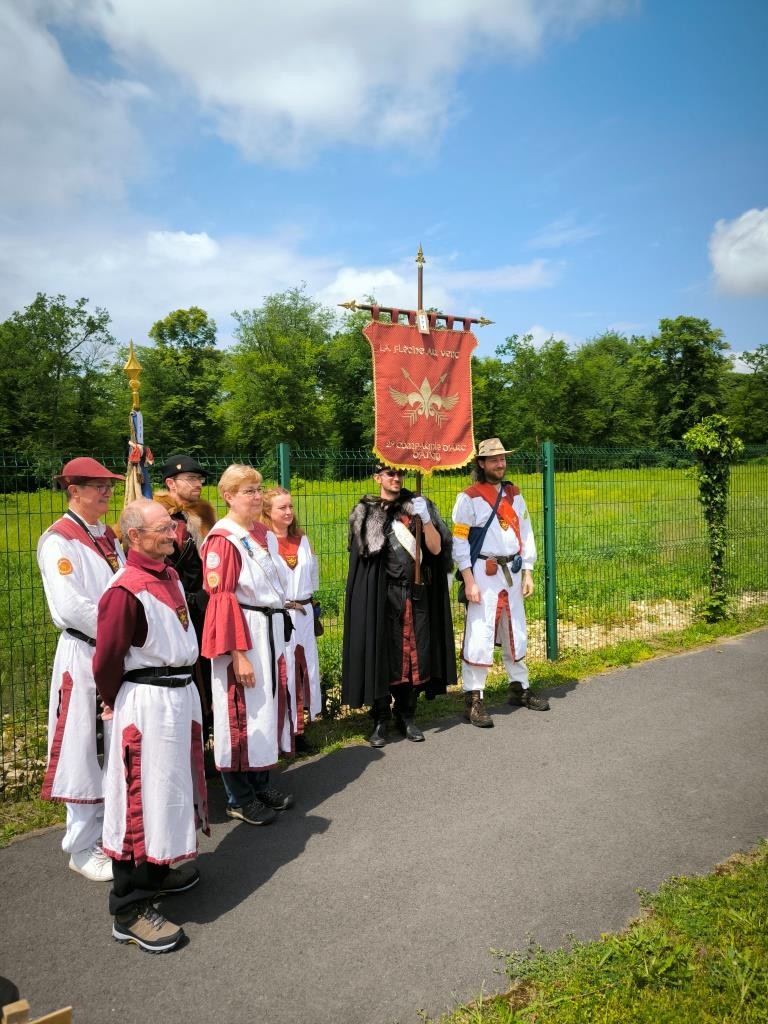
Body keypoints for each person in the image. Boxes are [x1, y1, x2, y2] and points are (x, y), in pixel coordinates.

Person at [93, 499, 208, 953]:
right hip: (147, 702)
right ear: (134, 536)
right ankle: (129, 906)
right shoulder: (124, 591)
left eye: (172, 528)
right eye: (163, 529)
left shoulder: (171, 575)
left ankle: (158, 869)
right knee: (139, 795)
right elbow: (106, 659)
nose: (172, 534)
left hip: (179, 697)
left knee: (172, 788)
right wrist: (110, 699)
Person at [37, 457, 126, 882]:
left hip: (113, 652)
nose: (107, 492)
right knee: (84, 747)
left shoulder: (107, 536)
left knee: (110, 744)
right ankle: (80, 846)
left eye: (109, 485)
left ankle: (108, 834)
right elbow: (72, 606)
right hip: (87, 653)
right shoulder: (59, 540)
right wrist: (122, 631)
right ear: (73, 490)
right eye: (97, 486)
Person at [201, 465, 294, 826]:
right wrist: (238, 655)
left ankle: (259, 781)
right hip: (244, 631)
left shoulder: (260, 532)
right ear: (228, 496)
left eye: (258, 490)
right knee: (239, 711)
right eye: (247, 491)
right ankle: (237, 796)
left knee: (265, 707)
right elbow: (221, 599)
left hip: (267, 627)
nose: (256, 497)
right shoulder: (223, 540)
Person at [341, 462, 457, 747]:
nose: (396, 478)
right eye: (389, 473)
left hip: (416, 595)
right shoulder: (365, 512)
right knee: (383, 654)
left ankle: (406, 715)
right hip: (382, 598)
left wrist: (426, 518)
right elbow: (363, 559)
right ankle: (380, 718)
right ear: (377, 476)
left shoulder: (418, 505)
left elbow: (436, 549)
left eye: (399, 473)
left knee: (412, 654)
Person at [452, 437, 550, 728]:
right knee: (480, 634)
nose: (500, 464)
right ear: (481, 463)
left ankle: (519, 687)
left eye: (503, 458)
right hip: (484, 572)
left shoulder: (514, 494)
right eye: (494, 459)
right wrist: (469, 579)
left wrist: (529, 569)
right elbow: (459, 541)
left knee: (515, 629)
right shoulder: (467, 498)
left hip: (514, 572)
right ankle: (474, 698)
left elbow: (527, 533)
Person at [153, 455, 216, 740]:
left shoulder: (204, 513)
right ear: (170, 483)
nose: (197, 484)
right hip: (175, 606)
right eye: (190, 479)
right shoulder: (158, 517)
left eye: (199, 479)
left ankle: (207, 736)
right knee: (187, 672)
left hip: (205, 604)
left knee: (207, 667)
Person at [262, 487, 322, 747]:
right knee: (282, 670)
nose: (288, 512)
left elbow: (312, 579)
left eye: (290, 507)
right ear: (267, 511)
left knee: (304, 670)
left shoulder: (303, 540)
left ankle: (299, 730)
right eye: (281, 508)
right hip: (279, 615)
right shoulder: (263, 543)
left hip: (305, 613)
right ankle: (281, 734)